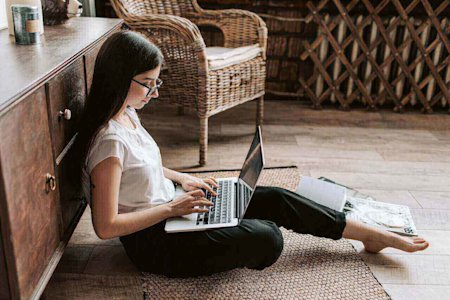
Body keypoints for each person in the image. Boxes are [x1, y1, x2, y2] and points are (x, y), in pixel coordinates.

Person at [68, 31, 429, 279]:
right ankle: (223, 225)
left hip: (172, 209)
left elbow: (143, 165)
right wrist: (173, 208)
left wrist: (181, 180)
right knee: (268, 238)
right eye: (148, 83)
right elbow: (105, 227)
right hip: (154, 242)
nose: (155, 92)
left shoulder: (128, 114)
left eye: (156, 82)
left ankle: (367, 233)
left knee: (275, 197)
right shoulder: (109, 143)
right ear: (119, 78)